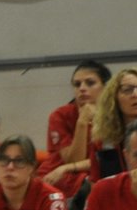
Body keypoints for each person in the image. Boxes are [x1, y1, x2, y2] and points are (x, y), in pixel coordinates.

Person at [41, 60, 109, 197]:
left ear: (105, 87)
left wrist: (67, 167)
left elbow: (106, 160)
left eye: (90, 83)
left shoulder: (114, 117)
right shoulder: (59, 115)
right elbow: (74, 159)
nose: (82, 88)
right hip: (57, 176)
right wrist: (82, 122)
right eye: (77, 84)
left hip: (86, 176)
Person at [91, 67, 137, 181]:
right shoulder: (102, 142)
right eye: (127, 90)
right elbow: (96, 185)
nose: (136, 94)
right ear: (114, 99)